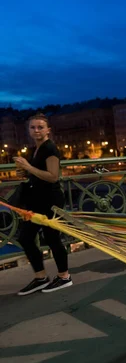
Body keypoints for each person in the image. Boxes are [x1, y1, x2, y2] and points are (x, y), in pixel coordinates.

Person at [14, 114, 71, 295]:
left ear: (48, 130)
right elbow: (40, 174)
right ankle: (41, 277)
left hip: (50, 201)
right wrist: (25, 173)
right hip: (36, 200)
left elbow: (53, 176)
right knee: (25, 238)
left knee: (52, 238)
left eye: (40, 127)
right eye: (33, 127)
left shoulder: (50, 148)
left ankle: (64, 277)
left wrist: (29, 167)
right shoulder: (36, 148)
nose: (36, 130)